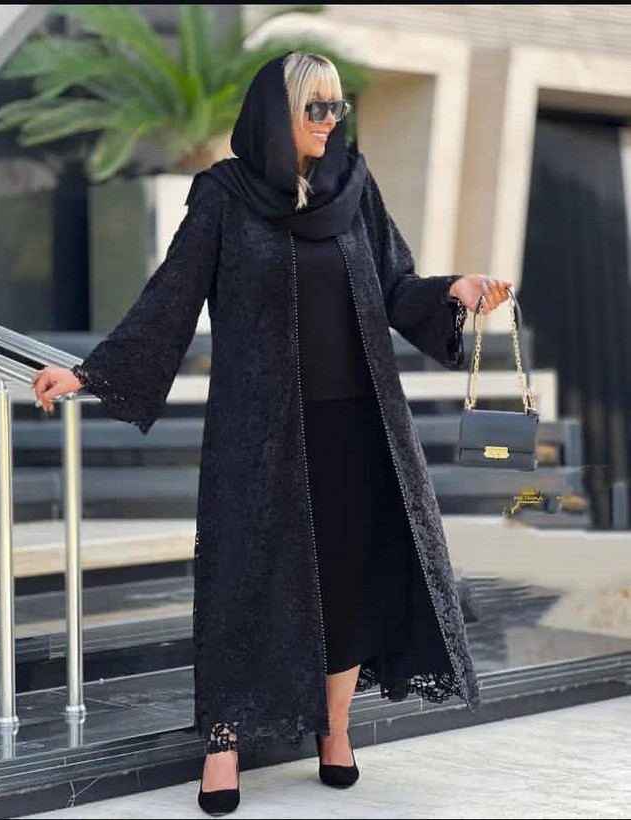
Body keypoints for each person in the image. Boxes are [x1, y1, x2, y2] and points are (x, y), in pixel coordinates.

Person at [32, 51, 511, 817]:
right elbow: (172, 295)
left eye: (335, 107)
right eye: (313, 107)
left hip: (359, 422)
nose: (329, 121)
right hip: (258, 427)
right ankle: (222, 744)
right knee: (242, 578)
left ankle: (335, 729)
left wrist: (452, 289)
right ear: (275, 112)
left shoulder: (354, 188)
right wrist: (89, 374)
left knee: (350, 578)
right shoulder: (224, 195)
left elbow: (394, 285)